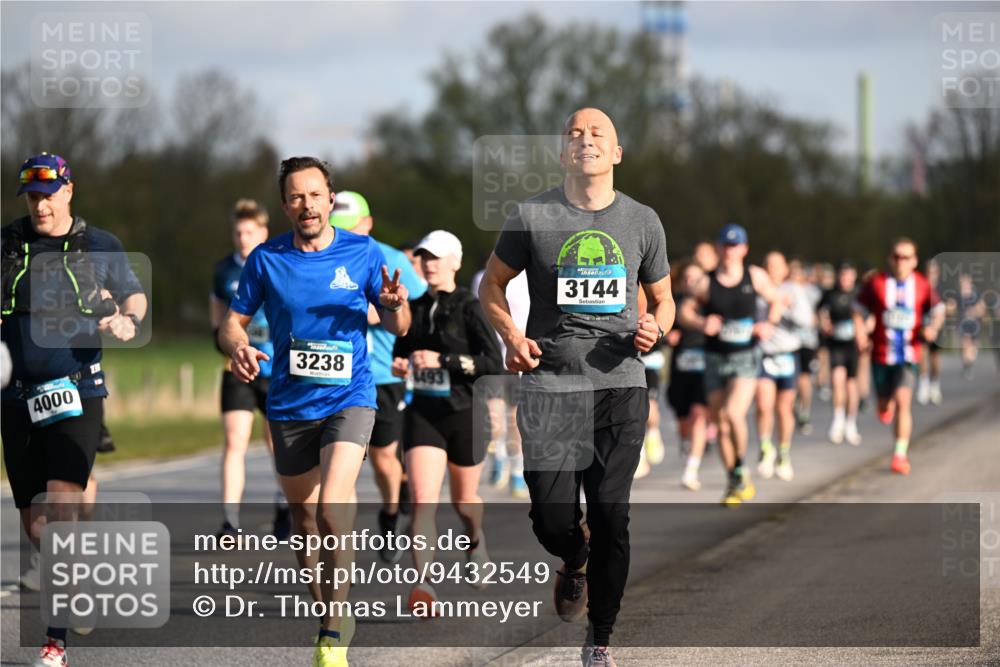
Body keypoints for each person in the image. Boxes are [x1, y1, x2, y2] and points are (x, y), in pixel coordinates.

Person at [479, 108, 674, 667]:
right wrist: (512, 335)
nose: (584, 140)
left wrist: (656, 324)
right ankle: (574, 556)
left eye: (598, 134)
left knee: (613, 513)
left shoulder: (642, 221)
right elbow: (492, 285)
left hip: (620, 386)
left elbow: (664, 299)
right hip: (551, 388)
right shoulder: (531, 217)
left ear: (616, 153)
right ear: (563, 152)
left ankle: (601, 637)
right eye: (574, 134)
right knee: (552, 518)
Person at [218, 156, 410, 667]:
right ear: (286, 206)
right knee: (305, 522)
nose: (307, 204)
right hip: (288, 404)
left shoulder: (363, 253)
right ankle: (329, 611)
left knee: (332, 509)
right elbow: (231, 323)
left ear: (330, 199)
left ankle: (331, 631)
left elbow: (399, 325)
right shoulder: (266, 259)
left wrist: (393, 303)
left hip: (351, 397)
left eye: (315, 194)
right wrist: (236, 344)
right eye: (296, 197)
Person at [1, 153, 147, 667]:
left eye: (47, 194)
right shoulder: (7, 243)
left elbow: (135, 298)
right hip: (16, 396)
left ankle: (54, 641)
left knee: (60, 510)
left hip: (77, 393)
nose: (39, 205)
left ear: (68, 190)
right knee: (36, 524)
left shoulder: (99, 245)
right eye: (31, 196)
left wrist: (126, 319)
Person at [392, 230, 503, 609]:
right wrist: (401, 362)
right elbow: (401, 349)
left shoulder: (470, 307)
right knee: (423, 499)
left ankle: (475, 541)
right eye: (424, 257)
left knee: (463, 501)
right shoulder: (416, 307)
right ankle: (423, 585)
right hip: (424, 412)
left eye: (437, 257)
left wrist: (445, 361)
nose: (430, 264)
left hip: (464, 413)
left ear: (455, 262)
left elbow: (494, 364)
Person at [329, 190, 426, 562]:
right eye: (337, 227)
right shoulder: (322, 255)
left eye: (350, 227)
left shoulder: (392, 257)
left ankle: (389, 512)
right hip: (337, 376)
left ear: (368, 223)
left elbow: (416, 309)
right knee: (338, 462)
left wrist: (386, 311)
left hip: (383, 374)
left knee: (386, 458)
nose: (344, 234)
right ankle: (338, 543)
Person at [680, 224, 782, 507]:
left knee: (733, 414)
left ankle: (740, 466)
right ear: (718, 248)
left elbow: (776, 300)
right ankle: (735, 479)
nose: (730, 251)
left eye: (735, 246)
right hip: (714, 358)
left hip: (745, 357)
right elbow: (684, 311)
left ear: (745, 249)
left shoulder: (755, 276)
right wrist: (702, 322)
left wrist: (768, 325)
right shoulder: (706, 281)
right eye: (725, 245)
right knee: (720, 424)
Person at [210, 199, 290, 539]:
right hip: (237, 369)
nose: (243, 238)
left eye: (250, 232)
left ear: (264, 232)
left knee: (278, 445)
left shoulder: (279, 264)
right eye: (238, 232)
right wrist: (231, 345)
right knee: (234, 442)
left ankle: (284, 503)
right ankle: (230, 522)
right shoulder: (224, 271)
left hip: (276, 369)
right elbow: (216, 324)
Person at [856, 237, 943, 476]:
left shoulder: (923, 285)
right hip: (881, 355)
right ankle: (884, 406)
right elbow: (858, 310)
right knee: (885, 404)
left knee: (904, 402)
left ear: (914, 261)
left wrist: (932, 328)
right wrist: (861, 333)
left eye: (906, 257)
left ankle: (900, 455)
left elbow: (938, 310)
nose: (900, 261)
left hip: (908, 354)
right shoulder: (877, 283)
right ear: (889, 258)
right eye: (896, 256)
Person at [471, 261, 530, 497]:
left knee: (515, 421)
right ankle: (499, 457)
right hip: (492, 358)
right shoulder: (481, 277)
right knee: (495, 421)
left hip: (520, 359)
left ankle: (517, 469)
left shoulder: (532, 277)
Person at [755, 251, 805, 482]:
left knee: (784, 409)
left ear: (785, 269)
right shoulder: (757, 291)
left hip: (787, 355)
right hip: (764, 354)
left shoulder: (793, 290)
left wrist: (785, 307)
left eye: (777, 265)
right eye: (768, 265)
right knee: (764, 406)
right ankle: (766, 448)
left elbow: (806, 321)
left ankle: (783, 453)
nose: (772, 269)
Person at [665, 260, 709, 491]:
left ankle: (691, 470)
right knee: (683, 418)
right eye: (688, 278)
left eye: (696, 278)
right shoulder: (675, 302)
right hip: (681, 367)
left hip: (705, 368)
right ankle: (686, 443)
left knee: (698, 414)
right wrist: (668, 337)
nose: (691, 282)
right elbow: (665, 327)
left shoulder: (711, 303)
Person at [819, 261, 865, 445]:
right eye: (842, 276)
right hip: (836, 343)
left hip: (854, 345)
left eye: (849, 276)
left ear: (854, 277)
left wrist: (865, 331)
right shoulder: (830, 294)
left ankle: (851, 423)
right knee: (837, 381)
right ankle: (837, 419)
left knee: (851, 385)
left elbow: (871, 316)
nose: (845, 280)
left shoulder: (860, 294)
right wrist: (824, 323)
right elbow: (820, 312)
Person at [788, 259, 821, 435]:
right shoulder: (782, 291)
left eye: (797, 274)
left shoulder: (812, 293)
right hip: (788, 342)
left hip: (807, 341)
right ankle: (792, 409)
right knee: (792, 380)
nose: (794, 277)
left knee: (804, 378)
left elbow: (818, 314)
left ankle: (805, 411)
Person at [917, 259, 944, 405]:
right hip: (922, 325)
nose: (930, 274)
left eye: (933, 271)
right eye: (928, 271)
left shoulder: (942, 289)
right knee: (922, 353)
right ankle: (923, 385)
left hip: (937, 326)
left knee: (934, 357)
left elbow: (950, 307)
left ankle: (935, 385)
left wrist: (936, 325)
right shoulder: (920, 287)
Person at [955, 272, 984, 379]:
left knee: (973, 347)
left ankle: (969, 364)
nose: (964, 284)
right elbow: (954, 309)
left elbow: (982, 308)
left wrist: (974, 311)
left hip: (974, 324)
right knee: (965, 344)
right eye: (962, 282)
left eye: (966, 281)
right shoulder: (958, 295)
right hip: (963, 324)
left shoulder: (976, 294)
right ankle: (967, 366)